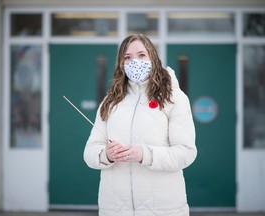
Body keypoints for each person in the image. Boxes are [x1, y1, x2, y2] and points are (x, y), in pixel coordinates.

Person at [83, 34, 197, 216]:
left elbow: (185, 152)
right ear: (121, 63)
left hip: (163, 210)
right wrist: (106, 154)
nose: (135, 61)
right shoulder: (111, 101)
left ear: (153, 57)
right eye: (127, 57)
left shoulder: (174, 98)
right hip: (115, 209)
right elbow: (90, 152)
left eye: (141, 55)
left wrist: (144, 154)